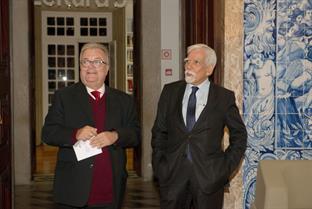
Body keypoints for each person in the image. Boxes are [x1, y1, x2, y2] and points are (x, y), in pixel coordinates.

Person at [42, 42, 140, 209]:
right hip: (74, 189)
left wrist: (115, 136)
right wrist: (75, 134)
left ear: (107, 68)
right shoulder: (64, 97)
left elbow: (136, 134)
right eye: (85, 61)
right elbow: (48, 133)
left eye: (97, 62)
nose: (90, 67)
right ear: (80, 67)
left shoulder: (124, 100)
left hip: (111, 189)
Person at [151, 43, 247, 209]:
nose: (188, 66)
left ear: (209, 69)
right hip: (172, 176)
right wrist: (160, 164)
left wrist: (223, 168)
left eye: (196, 62)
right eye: (187, 61)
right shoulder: (170, 92)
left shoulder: (224, 98)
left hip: (208, 179)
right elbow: (159, 131)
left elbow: (239, 135)